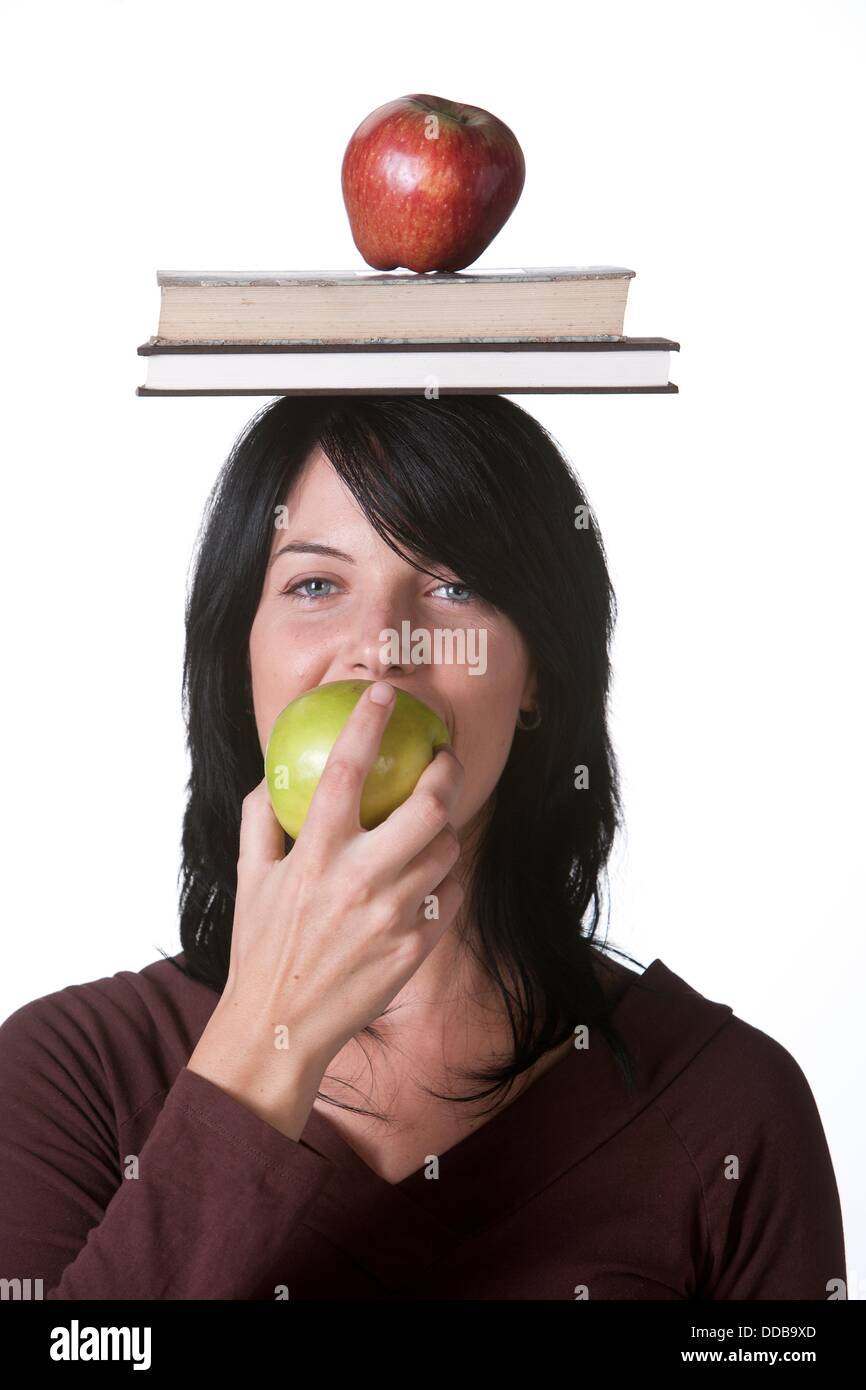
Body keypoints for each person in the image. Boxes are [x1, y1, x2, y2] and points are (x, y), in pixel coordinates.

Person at [0, 396, 846, 1299]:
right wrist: (264, 1047)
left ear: (540, 680)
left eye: (454, 585)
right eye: (316, 585)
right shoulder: (68, 1077)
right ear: (238, 655)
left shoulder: (728, 1110)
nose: (381, 646)